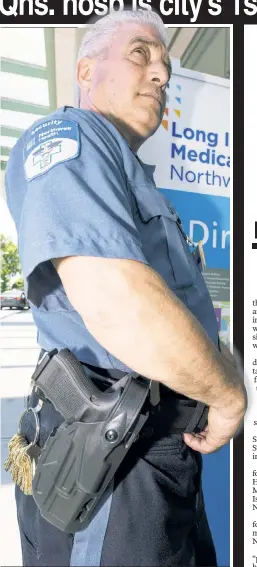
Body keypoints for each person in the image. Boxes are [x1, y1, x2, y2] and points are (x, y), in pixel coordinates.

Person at [5, 10, 246, 567]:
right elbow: (120, 305)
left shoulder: (129, 172)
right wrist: (228, 395)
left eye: (167, 63)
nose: (161, 73)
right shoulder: (70, 136)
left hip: (154, 456)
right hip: (113, 462)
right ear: (86, 71)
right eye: (141, 54)